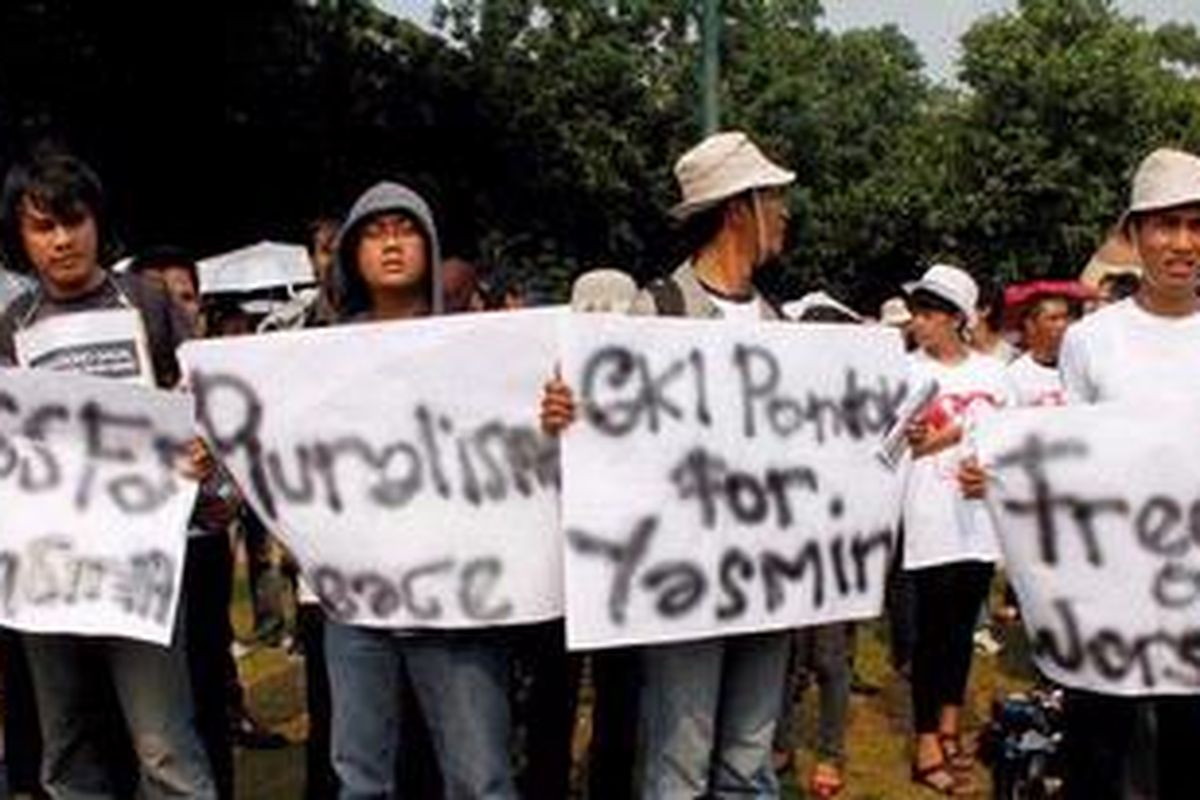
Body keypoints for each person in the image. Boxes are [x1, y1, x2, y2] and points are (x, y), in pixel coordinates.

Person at [543, 130, 795, 799]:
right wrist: (570, 413)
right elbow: (608, 441)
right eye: (773, 199)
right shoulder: (653, 313)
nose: (784, 214)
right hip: (685, 581)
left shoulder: (782, 326)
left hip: (767, 576)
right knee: (680, 765)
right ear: (739, 209)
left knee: (750, 764)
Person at [0, 148, 216, 799]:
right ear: (21, 238)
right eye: (43, 226)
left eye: (74, 220)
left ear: (97, 221)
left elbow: (207, 398)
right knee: (67, 746)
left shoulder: (148, 301)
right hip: (48, 563)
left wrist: (200, 453)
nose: (62, 240)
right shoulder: (10, 327)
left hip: (141, 557)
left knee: (163, 744)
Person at [323, 180, 518, 800]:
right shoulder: (318, 358)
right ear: (352, 253)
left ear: (430, 247)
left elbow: (513, 442)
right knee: (361, 777)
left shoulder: (477, 347)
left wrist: (551, 413)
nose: (391, 244)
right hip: (357, 598)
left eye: (405, 230)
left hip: (456, 596)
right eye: (375, 233)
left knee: (480, 777)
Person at [1024, 147, 1200, 800]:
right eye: (1166, 224)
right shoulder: (1091, 341)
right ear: (1134, 234)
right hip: (1110, 595)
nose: (1183, 243)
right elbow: (1072, 459)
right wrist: (1007, 479)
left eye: (1197, 225)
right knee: (1097, 760)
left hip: (1194, 599)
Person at [900, 263, 1016, 796]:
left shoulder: (995, 374)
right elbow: (890, 449)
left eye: (928, 313)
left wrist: (991, 474)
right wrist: (936, 438)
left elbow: (1013, 441)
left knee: (962, 628)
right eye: (916, 312)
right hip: (930, 518)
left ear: (956, 318)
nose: (918, 322)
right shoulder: (906, 372)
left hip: (979, 520)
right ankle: (925, 741)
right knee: (931, 632)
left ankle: (949, 724)